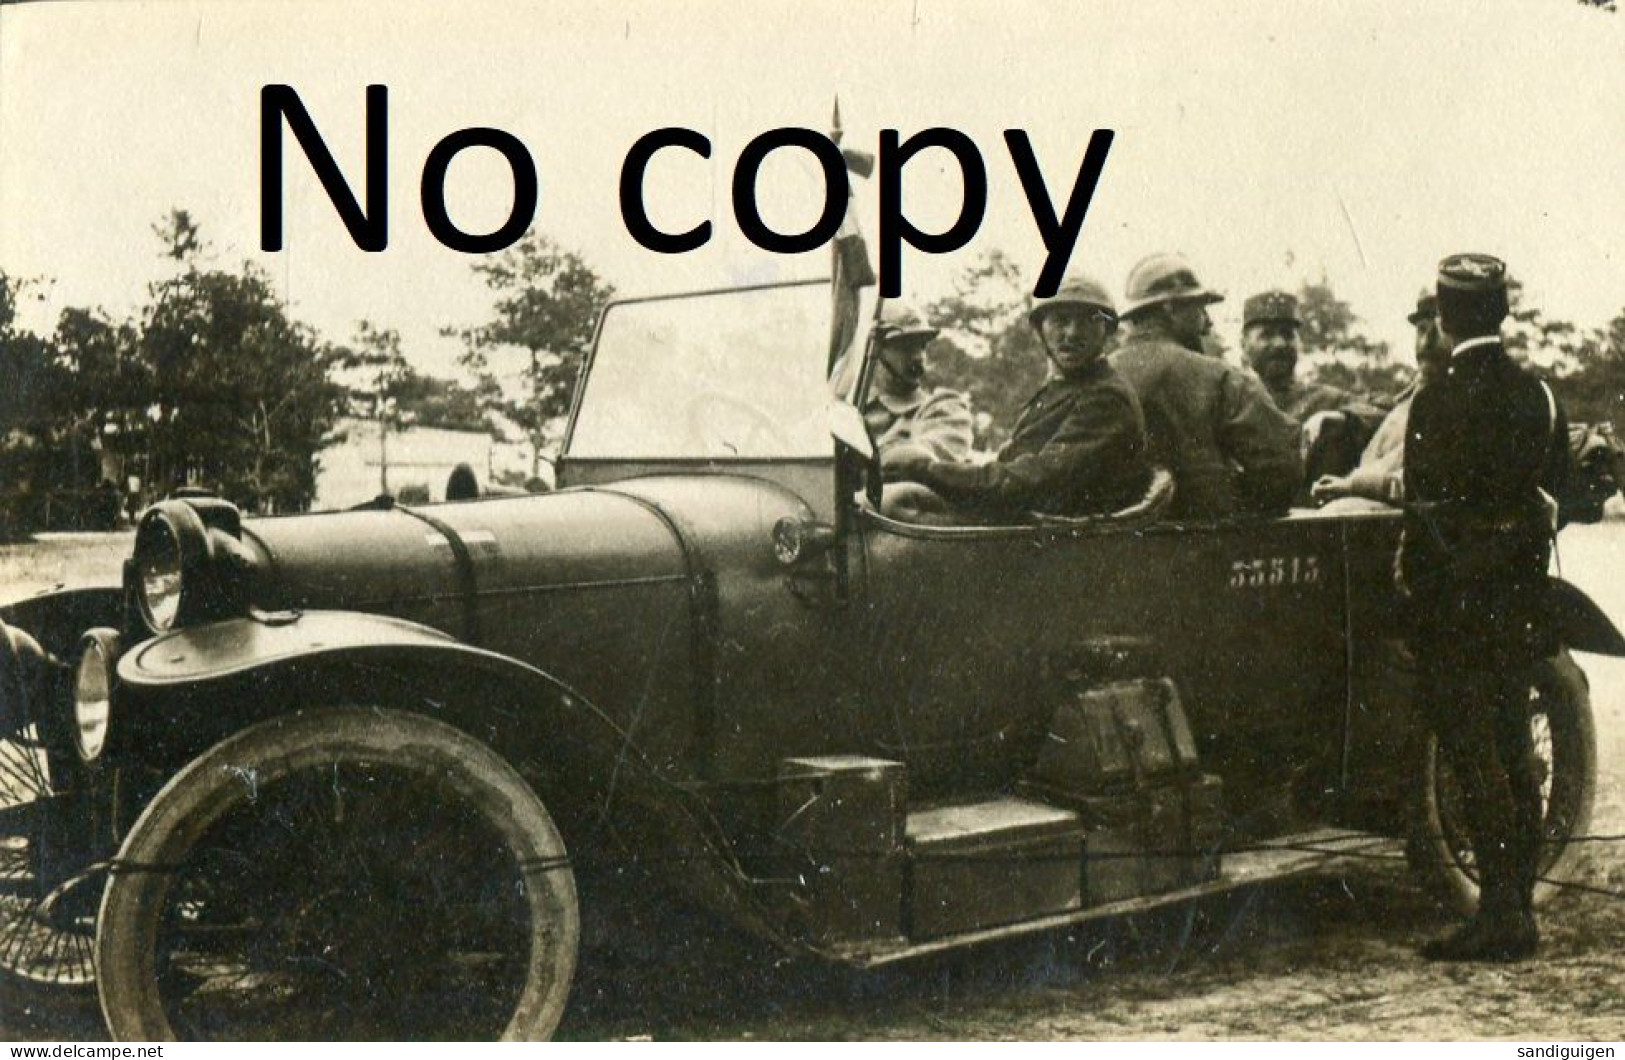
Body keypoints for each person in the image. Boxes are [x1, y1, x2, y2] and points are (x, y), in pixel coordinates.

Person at [1399, 253, 1568, 963]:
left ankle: (1497, 918)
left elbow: (1425, 512)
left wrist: (1424, 595)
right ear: (1500, 311)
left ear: (1442, 315)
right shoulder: (1539, 395)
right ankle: (1516, 908)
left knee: (1474, 759)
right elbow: (1553, 499)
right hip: (1521, 602)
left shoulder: (1436, 399)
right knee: (1513, 752)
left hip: (1457, 611)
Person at [886, 273, 1149, 520]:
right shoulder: (1064, 390)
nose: (1072, 333)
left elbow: (1031, 482)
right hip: (1029, 531)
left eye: (1087, 321)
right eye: (1060, 320)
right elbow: (1010, 463)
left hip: (1056, 545)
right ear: (1041, 330)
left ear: (1107, 330)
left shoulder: (1106, 399)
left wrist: (925, 470)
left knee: (891, 508)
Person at [1109, 254, 1301, 520]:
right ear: (1170, 308)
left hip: (1101, 551)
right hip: (1209, 546)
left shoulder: (1094, 377)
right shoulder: (1222, 377)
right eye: (1199, 308)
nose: (1207, 322)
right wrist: (1222, 499)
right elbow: (1281, 471)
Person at [1312, 292, 1448, 507]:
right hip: (1380, 504)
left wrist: (1351, 485)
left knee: (1339, 512)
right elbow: (1380, 406)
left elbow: (1422, 482)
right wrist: (1342, 417)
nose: (1426, 343)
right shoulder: (1409, 399)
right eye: (1421, 330)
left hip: (1412, 514)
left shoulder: (1458, 400)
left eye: (1440, 331)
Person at [860, 303, 975, 477]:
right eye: (905, 346)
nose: (918, 356)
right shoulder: (847, 411)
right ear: (874, 350)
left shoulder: (942, 408)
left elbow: (925, 460)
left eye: (922, 346)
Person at [1242, 291, 1362, 422]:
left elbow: (1382, 408)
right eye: (1267, 335)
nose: (1279, 343)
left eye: (1287, 334)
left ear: (1299, 342)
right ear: (1244, 344)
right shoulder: (1233, 404)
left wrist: (1342, 417)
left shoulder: (1324, 400)